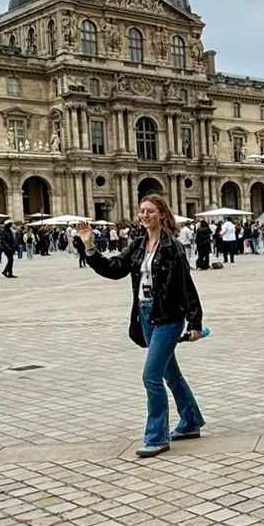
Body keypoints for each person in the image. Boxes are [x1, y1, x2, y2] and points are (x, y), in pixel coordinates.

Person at [86, 193, 205, 457]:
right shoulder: (138, 245)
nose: (144, 215)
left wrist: (195, 321)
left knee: (150, 376)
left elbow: (186, 286)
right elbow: (115, 268)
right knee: (170, 374)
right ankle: (190, 421)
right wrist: (90, 248)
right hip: (145, 315)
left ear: (161, 214)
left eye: (150, 211)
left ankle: (156, 437)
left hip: (169, 317)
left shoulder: (173, 248)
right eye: (142, 211)